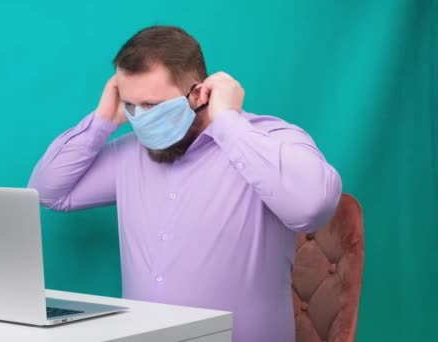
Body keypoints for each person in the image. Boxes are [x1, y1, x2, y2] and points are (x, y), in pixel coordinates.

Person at [28, 25, 342, 341]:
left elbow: (313, 207)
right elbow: (47, 190)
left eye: (151, 105)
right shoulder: (130, 154)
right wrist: (102, 120)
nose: (139, 118)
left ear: (197, 93)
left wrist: (228, 124)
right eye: (130, 105)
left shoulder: (269, 141)